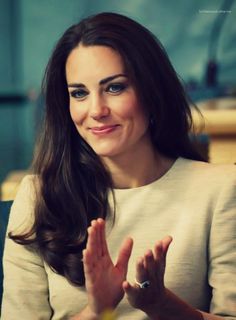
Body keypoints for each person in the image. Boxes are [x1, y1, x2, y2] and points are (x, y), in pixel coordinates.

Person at [1, 12, 236, 320]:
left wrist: (164, 306)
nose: (96, 110)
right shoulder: (37, 195)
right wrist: (97, 310)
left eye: (114, 88)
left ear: (152, 92)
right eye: (79, 93)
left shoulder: (220, 188)